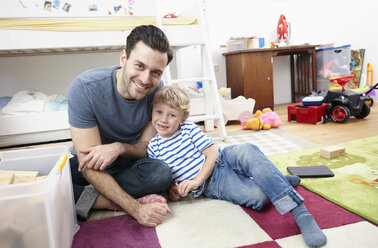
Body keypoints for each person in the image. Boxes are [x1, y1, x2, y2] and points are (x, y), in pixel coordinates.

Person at [147, 86, 327, 248]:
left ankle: (301, 214)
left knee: (248, 151)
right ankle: (275, 179)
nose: (163, 119)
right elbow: (167, 179)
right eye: (159, 112)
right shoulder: (153, 147)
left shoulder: (188, 128)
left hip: (222, 160)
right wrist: (174, 190)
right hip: (214, 185)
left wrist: (196, 180)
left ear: (182, 118)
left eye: (171, 115)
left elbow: (213, 154)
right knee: (258, 197)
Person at [67, 25, 174, 227]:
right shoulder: (84, 88)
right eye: (140, 66)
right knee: (56, 182)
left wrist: (118, 148)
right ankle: (110, 201)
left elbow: (145, 148)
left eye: (156, 72)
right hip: (91, 165)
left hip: (128, 162)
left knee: (162, 173)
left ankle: (90, 199)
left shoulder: (157, 91)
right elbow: (88, 165)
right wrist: (135, 208)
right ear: (123, 58)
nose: (145, 80)